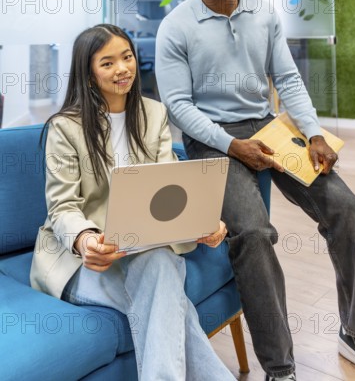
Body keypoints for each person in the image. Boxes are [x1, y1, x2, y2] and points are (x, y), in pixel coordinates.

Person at [155, 0, 355, 381]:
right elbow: (178, 105)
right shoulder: (176, 26)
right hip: (211, 139)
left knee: (347, 208)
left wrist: (313, 132)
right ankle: (281, 368)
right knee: (252, 232)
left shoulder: (262, 14)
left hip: (269, 128)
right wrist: (232, 145)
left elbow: (287, 80)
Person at [30, 23, 236, 381]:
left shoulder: (153, 113)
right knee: (166, 290)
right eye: (107, 62)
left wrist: (202, 221)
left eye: (126, 57)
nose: (122, 68)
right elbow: (63, 207)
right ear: (89, 74)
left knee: (158, 266)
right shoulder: (65, 127)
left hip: (146, 250)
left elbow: (171, 186)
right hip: (86, 260)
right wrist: (85, 240)